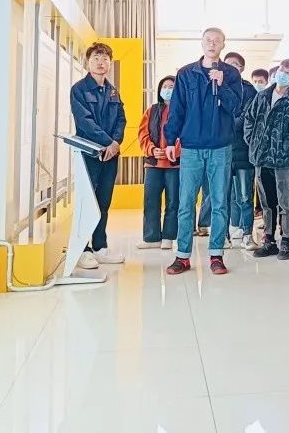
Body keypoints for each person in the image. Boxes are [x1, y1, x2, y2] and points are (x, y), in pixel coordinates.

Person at [163, 28, 242, 276]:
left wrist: (222, 84)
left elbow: (237, 107)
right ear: (202, 43)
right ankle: (182, 256)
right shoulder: (186, 74)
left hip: (220, 146)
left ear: (223, 44)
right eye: (208, 40)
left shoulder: (231, 74)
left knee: (219, 202)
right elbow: (177, 109)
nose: (212, 44)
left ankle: (216, 254)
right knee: (186, 203)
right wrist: (170, 140)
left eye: (217, 40)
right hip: (191, 147)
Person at [244, 60, 289, 260]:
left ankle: (285, 242)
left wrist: (285, 149)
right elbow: (249, 119)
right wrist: (253, 142)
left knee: (285, 203)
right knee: (266, 202)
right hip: (261, 158)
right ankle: (269, 241)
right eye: (282, 70)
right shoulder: (262, 96)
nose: (283, 74)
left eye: (288, 72)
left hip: (284, 162)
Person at [70, 42, 128, 269]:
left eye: (105, 59)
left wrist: (115, 143)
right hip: (89, 153)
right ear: (88, 62)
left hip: (110, 155)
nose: (101, 63)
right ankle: (82, 249)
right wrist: (107, 142)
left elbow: (121, 119)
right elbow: (84, 121)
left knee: (104, 201)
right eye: (96, 58)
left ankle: (100, 246)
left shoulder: (113, 91)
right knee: (87, 201)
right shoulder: (79, 89)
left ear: (110, 64)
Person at [137, 76, 179, 250]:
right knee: (151, 201)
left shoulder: (183, 110)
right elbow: (143, 134)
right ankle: (151, 238)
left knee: (173, 202)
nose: (168, 89)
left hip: (175, 165)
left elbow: (185, 135)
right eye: (165, 86)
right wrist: (152, 150)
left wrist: (174, 151)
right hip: (153, 164)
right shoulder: (152, 110)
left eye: (172, 86)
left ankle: (169, 236)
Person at [226, 52, 258, 248]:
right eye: (227, 64)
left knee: (245, 196)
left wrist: (225, 125)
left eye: (235, 64)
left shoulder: (249, 91)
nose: (231, 68)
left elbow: (247, 117)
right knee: (221, 197)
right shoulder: (215, 87)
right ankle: (223, 236)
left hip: (244, 151)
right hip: (221, 151)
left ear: (242, 68)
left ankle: (247, 234)